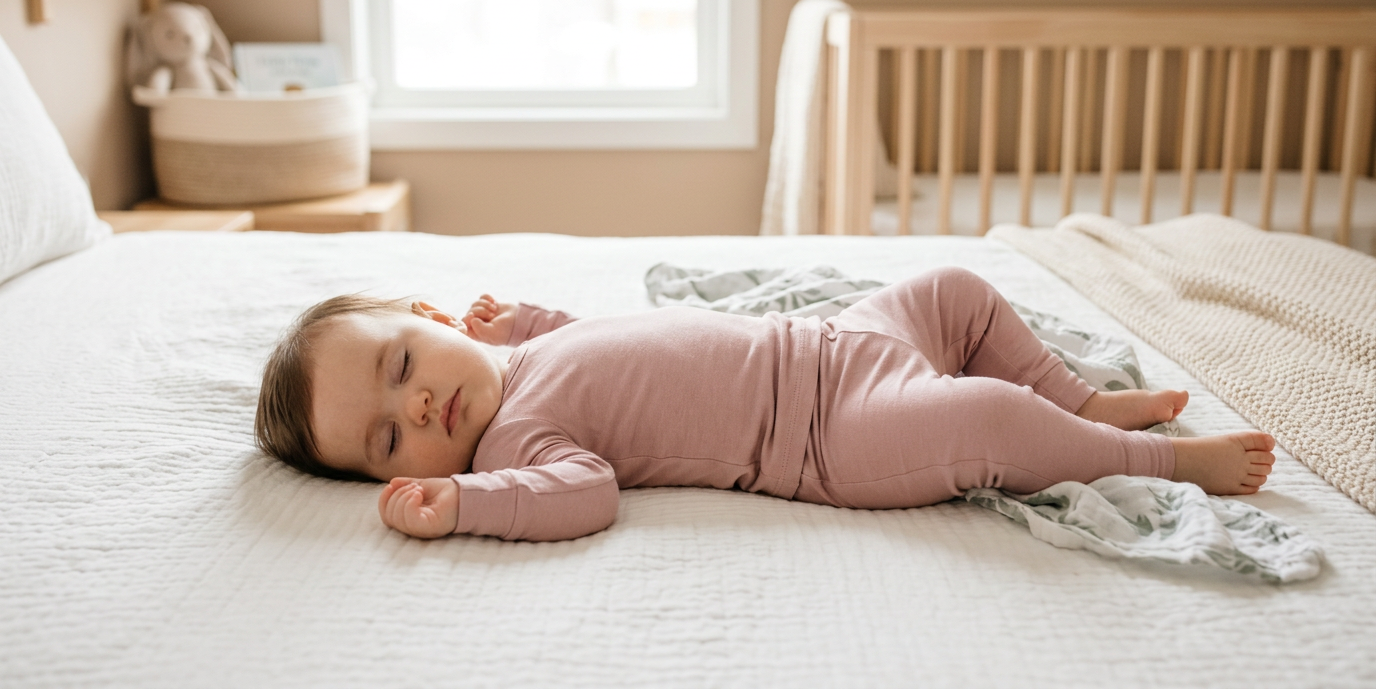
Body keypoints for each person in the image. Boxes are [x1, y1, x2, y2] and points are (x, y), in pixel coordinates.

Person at [255, 267, 1276, 542]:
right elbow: (583, 493)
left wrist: (524, 318)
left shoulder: (522, 356)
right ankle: (1159, 461)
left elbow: (607, 343)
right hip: (833, 435)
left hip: (839, 340)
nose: (422, 404)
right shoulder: (518, 444)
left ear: (434, 316)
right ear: (392, 477)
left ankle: (1077, 400)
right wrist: (471, 506)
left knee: (954, 290)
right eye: (387, 439)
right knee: (982, 422)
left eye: (401, 364)